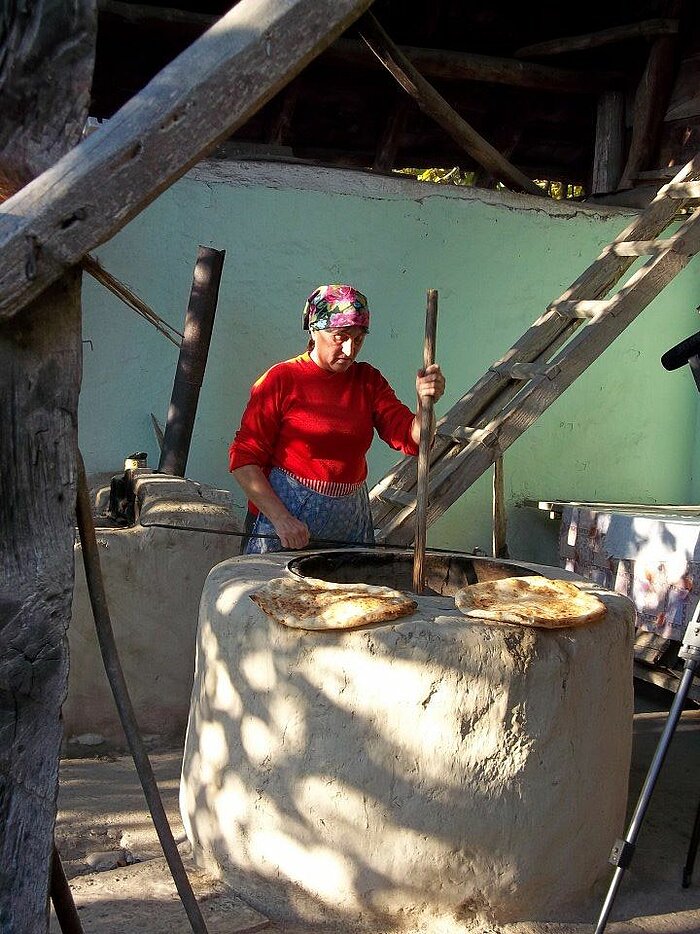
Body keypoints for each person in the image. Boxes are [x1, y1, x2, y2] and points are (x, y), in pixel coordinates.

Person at [229, 284, 446, 553]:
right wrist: (282, 520)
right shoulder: (281, 380)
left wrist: (425, 404)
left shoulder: (368, 381)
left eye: (358, 339)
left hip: (348, 527)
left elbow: (413, 440)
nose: (349, 349)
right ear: (315, 330)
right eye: (339, 336)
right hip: (284, 529)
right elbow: (244, 460)